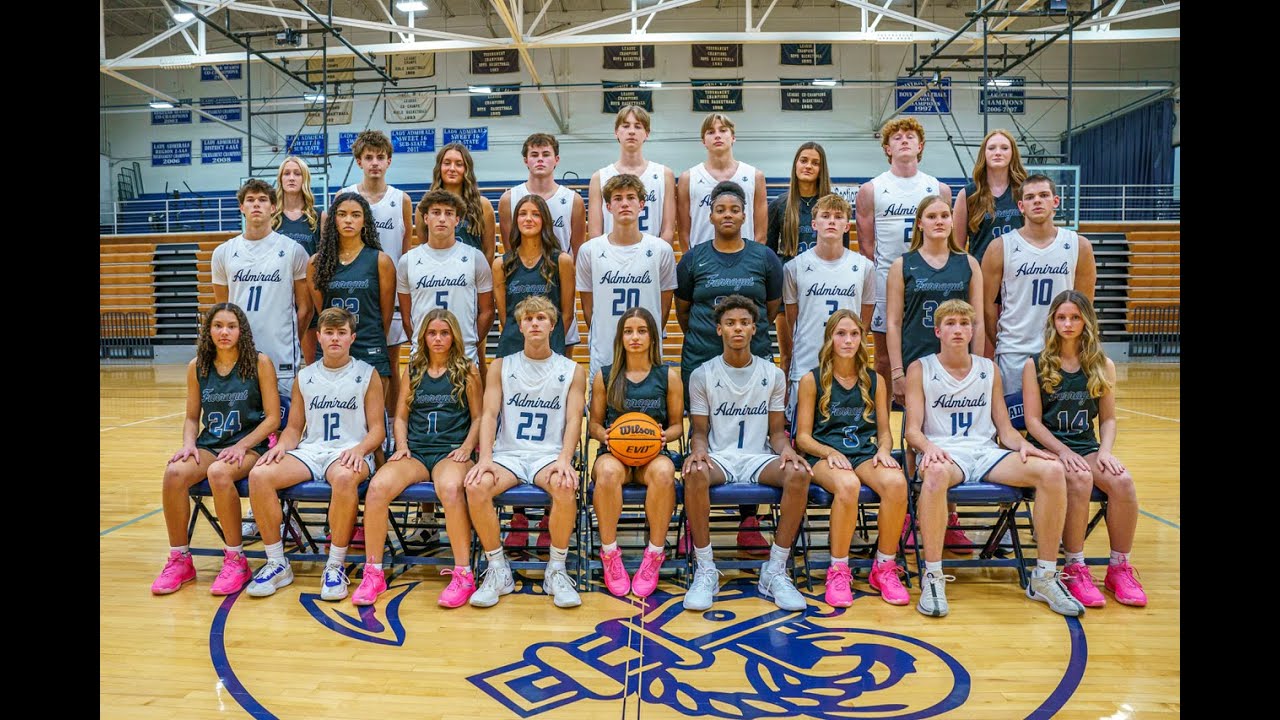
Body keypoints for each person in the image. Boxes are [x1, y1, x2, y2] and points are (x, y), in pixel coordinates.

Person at [904, 299, 1083, 618]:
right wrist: (928, 448)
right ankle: (932, 576)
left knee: (1053, 471)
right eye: (950, 323)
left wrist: (1024, 446)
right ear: (938, 331)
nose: (958, 329)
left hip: (986, 453)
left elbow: (1005, 428)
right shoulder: (921, 368)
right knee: (933, 475)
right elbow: (913, 431)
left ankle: (1043, 577)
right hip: (945, 453)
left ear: (973, 330)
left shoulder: (989, 369)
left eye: (964, 323)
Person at [681, 295, 812, 613]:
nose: (737, 328)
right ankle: (706, 568)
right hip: (721, 458)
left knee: (799, 473)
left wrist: (789, 453)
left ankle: (775, 570)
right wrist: (697, 453)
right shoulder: (703, 375)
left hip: (758, 457)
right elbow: (699, 432)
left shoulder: (773, 375)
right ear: (719, 330)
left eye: (743, 323)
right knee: (695, 471)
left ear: (755, 328)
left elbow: (777, 434)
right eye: (729, 323)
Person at [245, 307, 386, 601]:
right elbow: (295, 427)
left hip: (350, 451)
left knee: (345, 478)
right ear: (318, 337)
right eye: (329, 333)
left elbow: (377, 431)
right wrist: (281, 447)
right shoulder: (305, 377)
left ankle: (335, 566)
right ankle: (276, 563)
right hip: (311, 451)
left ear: (352, 338)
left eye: (341, 333)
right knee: (259, 474)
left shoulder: (366, 374)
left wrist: (360, 450)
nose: (335, 338)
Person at [675, 181, 785, 551]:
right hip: (701, 355)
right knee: (702, 435)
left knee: (753, 432)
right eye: (720, 210)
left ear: (744, 215)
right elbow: (684, 310)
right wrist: (714, 334)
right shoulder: (693, 258)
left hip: (752, 358)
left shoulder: (764, 257)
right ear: (710, 215)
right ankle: (694, 519)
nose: (727, 215)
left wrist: (740, 334)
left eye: (734, 210)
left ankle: (749, 519)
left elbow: (769, 308)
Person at [1022, 291, 1147, 608]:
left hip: (1087, 447)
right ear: (1052, 321)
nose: (1067, 323)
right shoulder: (1035, 364)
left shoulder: (1102, 364)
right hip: (1049, 451)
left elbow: (1108, 420)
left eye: (1074, 317)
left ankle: (1119, 567)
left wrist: (1105, 451)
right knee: (1079, 479)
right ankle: (1075, 566)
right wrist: (1062, 452)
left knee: (1122, 482)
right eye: (1062, 317)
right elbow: (1033, 422)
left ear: (1086, 322)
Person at [351, 309, 483, 608]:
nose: (438, 339)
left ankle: (463, 573)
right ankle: (374, 572)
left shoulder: (468, 370)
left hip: (451, 451)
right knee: (377, 488)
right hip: (417, 451)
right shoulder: (413, 369)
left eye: (444, 333)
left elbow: (479, 418)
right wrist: (401, 445)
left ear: (454, 337)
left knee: (450, 489)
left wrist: (466, 447)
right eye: (433, 333)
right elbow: (400, 416)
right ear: (423, 336)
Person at [464, 296, 587, 609]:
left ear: (552, 324)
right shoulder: (501, 366)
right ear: (519, 326)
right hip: (508, 456)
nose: (535, 323)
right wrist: (486, 458)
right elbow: (489, 415)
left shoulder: (571, 369)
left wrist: (565, 459)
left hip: (548, 455)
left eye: (542, 318)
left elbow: (574, 419)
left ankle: (556, 571)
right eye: (529, 318)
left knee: (564, 485)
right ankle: (497, 570)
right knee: (476, 485)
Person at [151, 303, 280, 596]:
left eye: (231, 327)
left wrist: (242, 445)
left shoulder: (259, 363)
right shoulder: (197, 367)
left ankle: (236, 559)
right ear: (208, 331)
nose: (224, 332)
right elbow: (192, 417)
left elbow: (273, 418)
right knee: (174, 473)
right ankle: (180, 558)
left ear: (241, 331)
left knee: (219, 473)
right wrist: (188, 444)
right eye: (218, 326)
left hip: (250, 446)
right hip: (211, 444)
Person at [886, 195, 985, 554]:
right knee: (918, 436)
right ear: (920, 224)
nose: (940, 220)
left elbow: (980, 322)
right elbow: (893, 322)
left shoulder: (968, 263)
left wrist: (983, 367)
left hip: (961, 367)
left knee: (952, 439)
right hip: (916, 361)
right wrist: (896, 370)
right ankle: (916, 513)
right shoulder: (903, 265)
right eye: (932, 216)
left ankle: (951, 517)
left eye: (945, 215)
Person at [793, 310, 909, 608]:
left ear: (862, 338)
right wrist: (829, 452)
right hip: (824, 455)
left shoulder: (874, 380)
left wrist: (884, 451)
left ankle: (884, 567)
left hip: (863, 453)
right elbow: (802, 438)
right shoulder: (811, 380)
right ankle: (838, 569)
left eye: (854, 334)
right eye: (841, 333)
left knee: (896, 483)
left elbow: (885, 433)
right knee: (847, 486)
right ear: (830, 338)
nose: (848, 340)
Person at [588, 307, 683, 598]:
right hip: (614, 453)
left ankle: (654, 554)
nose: (635, 337)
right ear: (620, 338)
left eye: (642, 331)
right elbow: (593, 423)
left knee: (666, 472)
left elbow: (678, 425)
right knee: (605, 472)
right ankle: (610, 553)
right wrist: (603, 434)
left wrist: (667, 435)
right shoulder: (605, 376)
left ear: (653, 337)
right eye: (629, 331)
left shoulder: (668, 376)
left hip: (652, 455)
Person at [981, 174, 1097, 407]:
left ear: (1055, 202)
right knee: (1016, 430)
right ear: (1021, 206)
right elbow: (985, 308)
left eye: (1044, 195)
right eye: (1030, 197)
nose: (1037, 201)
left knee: (1056, 429)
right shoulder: (1000, 247)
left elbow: (1085, 307)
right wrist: (1004, 341)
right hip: (1015, 352)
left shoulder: (1078, 245)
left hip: (1061, 352)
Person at [855, 116, 951, 387]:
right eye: (897, 137)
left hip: (931, 279)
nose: (904, 140)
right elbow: (866, 246)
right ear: (887, 148)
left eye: (910, 137)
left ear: (921, 146)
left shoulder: (938, 189)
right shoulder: (871, 189)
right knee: (884, 359)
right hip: (887, 279)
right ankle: (885, 421)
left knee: (934, 351)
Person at [335, 130, 413, 413]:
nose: (375, 163)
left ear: (389, 161)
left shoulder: (401, 199)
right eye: (369, 157)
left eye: (381, 157)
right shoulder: (345, 196)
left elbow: (405, 253)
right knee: (348, 367)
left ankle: (390, 427)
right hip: (352, 294)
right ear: (359, 161)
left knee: (390, 365)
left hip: (388, 298)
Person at [211, 178, 311, 396]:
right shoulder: (223, 253)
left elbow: (305, 308)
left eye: (263, 200)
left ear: (273, 207)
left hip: (281, 354)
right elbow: (222, 308)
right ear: (241, 207)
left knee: (283, 423)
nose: (256, 204)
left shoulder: (294, 251)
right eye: (250, 200)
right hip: (238, 352)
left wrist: (291, 337)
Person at [576, 172, 677, 385]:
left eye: (631, 197)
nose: (624, 203)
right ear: (608, 207)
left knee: (648, 416)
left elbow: (664, 307)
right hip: (605, 350)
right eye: (617, 198)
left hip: (646, 351)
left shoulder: (661, 250)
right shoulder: (589, 251)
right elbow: (588, 309)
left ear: (642, 205)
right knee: (601, 416)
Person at [782, 193, 873, 424]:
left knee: (844, 430)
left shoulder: (863, 267)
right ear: (814, 224)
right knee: (803, 432)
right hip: (806, 360)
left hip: (848, 364)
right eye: (825, 216)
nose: (831, 221)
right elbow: (793, 320)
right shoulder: (795, 267)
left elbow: (865, 317)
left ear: (846, 226)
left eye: (838, 216)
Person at [770, 142, 850, 387]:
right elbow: (769, 256)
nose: (808, 166)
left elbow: (843, 251)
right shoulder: (780, 205)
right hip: (789, 292)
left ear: (821, 168)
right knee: (787, 358)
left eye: (815, 162)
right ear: (795, 164)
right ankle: (784, 416)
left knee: (830, 357)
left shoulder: (832, 209)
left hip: (823, 289)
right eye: (804, 160)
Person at [498, 133, 586, 350]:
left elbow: (578, 252)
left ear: (556, 159)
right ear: (525, 160)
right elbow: (511, 252)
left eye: (546, 154)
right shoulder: (509, 199)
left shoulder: (573, 200)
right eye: (534, 154)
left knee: (561, 367)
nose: (540, 159)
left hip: (556, 284)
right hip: (521, 288)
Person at [308, 192, 396, 403]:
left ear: (364, 220)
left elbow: (385, 313)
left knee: (370, 421)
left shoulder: (381, 261)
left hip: (369, 344)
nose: (348, 220)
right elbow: (323, 311)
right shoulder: (316, 263)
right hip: (333, 346)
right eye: (342, 214)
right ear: (333, 220)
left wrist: (369, 335)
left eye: (356, 215)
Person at [399, 188, 494, 378]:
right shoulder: (408, 261)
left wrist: (469, 341)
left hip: (464, 355)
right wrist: (421, 343)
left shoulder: (475, 257)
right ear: (425, 218)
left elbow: (487, 311)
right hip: (422, 356)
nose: (442, 219)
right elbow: (406, 317)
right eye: (436, 213)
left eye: (449, 213)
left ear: (457, 220)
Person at [676, 112, 767, 252]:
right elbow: (683, 232)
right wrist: (691, 262)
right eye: (711, 132)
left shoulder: (755, 176)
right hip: (702, 262)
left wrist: (753, 260)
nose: (717, 135)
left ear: (733, 137)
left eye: (723, 130)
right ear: (703, 141)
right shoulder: (688, 178)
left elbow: (760, 233)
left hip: (744, 261)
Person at [588, 105, 676, 248]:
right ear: (616, 132)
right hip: (612, 259)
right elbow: (595, 233)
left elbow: (668, 230)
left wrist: (657, 258)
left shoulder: (664, 174)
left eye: (638, 126)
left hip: (651, 255)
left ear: (647, 133)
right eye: (626, 126)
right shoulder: (599, 177)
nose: (631, 132)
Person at [272, 156, 322, 363]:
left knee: (311, 362)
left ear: (305, 179)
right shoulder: (272, 218)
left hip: (309, 297)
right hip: (278, 295)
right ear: (280, 179)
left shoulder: (318, 217)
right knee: (279, 362)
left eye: (297, 173)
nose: (291, 177)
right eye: (286, 173)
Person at [952, 129, 1027, 266]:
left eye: (1004, 148)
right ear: (984, 154)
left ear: (1013, 154)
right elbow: (958, 248)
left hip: (1021, 271)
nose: (998, 152)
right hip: (982, 273)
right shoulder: (967, 194)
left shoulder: (1025, 191)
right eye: (991, 148)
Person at [419, 142, 496, 265]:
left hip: (471, 277)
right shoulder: (425, 207)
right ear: (439, 167)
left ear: (467, 169)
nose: (452, 168)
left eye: (459, 164)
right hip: (437, 277)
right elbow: (424, 250)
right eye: (447, 163)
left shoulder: (483, 205)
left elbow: (489, 251)